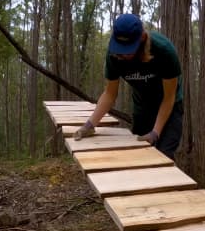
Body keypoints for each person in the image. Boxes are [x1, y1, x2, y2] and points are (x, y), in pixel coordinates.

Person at [73, 13, 184, 159]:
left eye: (128, 49)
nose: (123, 55)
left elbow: (169, 98)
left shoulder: (164, 51)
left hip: (170, 106)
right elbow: (109, 94)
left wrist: (155, 132)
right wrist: (89, 125)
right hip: (142, 105)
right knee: (139, 154)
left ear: (142, 38)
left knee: (163, 156)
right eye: (120, 48)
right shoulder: (114, 55)